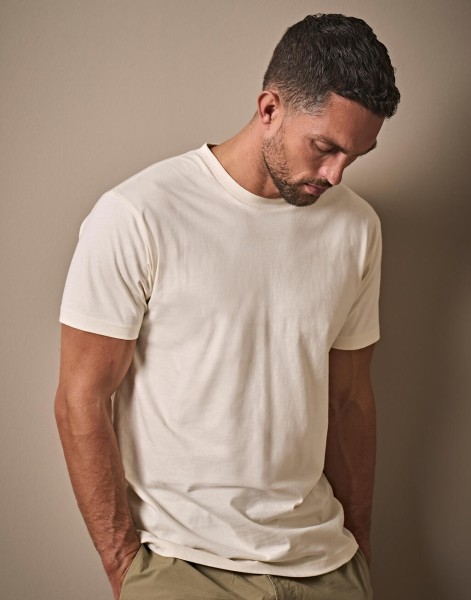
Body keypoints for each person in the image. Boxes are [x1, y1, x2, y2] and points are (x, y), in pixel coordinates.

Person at [55, 13, 399, 600]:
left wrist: (359, 546)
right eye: (325, 148)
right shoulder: (138, 214)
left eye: (355, 155)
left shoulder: (358, 228)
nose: (336, 174)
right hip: (184, 567)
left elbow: (349, 400)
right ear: (269, 109)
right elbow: (80, 399)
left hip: (327, 566)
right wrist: (124, 566)